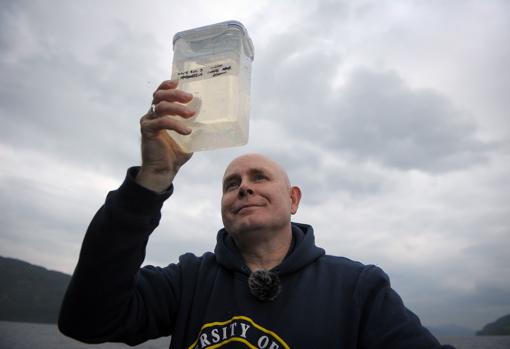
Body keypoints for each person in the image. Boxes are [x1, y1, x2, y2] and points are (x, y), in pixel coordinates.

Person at [58, 80, 455, 348]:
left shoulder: (357, 288)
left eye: (260, 178)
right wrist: (152, 179)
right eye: (231, 184)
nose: (243, 187)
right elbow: (87, 321)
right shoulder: (187, 281)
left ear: (294, 199)